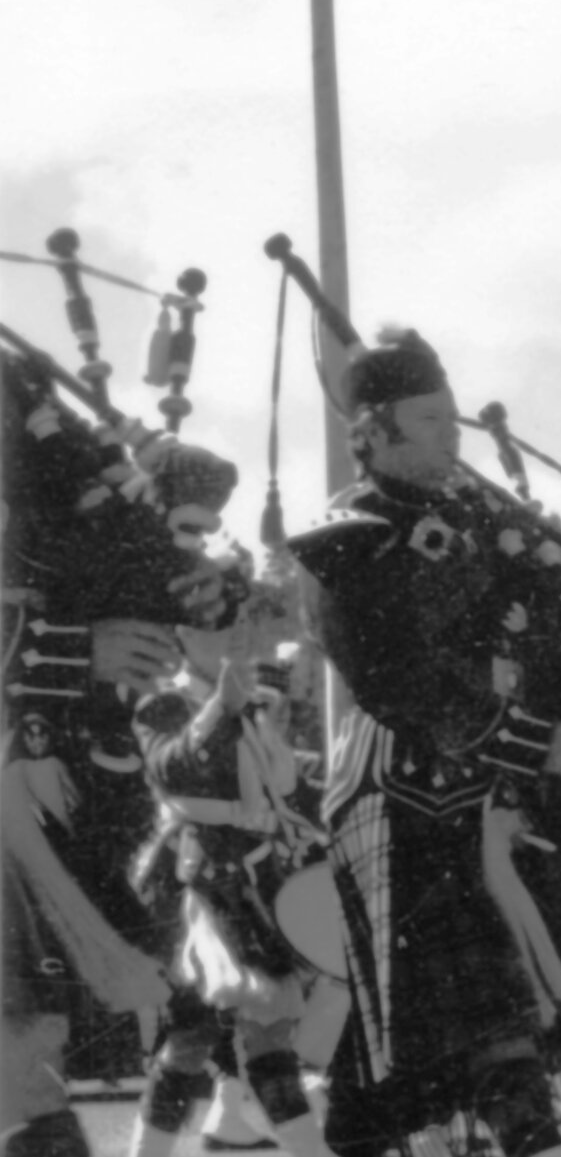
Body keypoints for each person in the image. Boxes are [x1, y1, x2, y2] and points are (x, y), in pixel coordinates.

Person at [290, 331, 561, 1157]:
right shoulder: (345, 538)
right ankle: (538, 1140)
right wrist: (534, 739)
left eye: (450, 418)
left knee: (402, 1030)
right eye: (429, 420)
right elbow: (403, 688)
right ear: (375, 430)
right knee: (475, 997)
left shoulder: (486, 518)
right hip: (400, 792)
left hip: (489, 787)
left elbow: (557, 625)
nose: (451, 435)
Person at [1, 345, 236, 1157]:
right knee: (23, 1037)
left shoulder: (23, 400)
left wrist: (199, 584)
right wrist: (72, 650)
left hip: (67, 782)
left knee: (179, 1001)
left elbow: (90, 553)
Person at [125, 646, 334, 1157]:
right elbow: (167, 769)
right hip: (195, 891)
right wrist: (220, 706)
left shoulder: (259, 704)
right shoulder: (162, 704)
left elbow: (285, 790)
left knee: (237, 1040)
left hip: (255, 886)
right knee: (198, 1041)